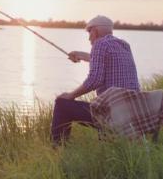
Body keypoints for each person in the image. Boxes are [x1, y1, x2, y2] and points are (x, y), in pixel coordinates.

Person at [50, 15, 140, 145]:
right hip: (131, 112)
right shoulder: (124, 45)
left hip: (112, 114)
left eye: (89, 32)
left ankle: (57, 149)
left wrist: (70, 96)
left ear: (95, 31)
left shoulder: (99, 44)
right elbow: (108, 61)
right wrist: (81, 55)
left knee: (62, 104)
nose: (89, 38)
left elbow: (95, 80)